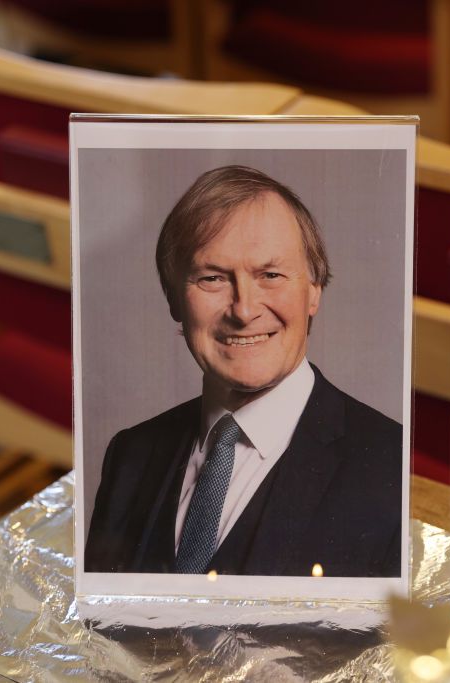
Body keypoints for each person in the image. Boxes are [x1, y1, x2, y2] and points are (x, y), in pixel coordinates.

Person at [84, 165, 402, 577]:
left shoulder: (389, 466)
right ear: (174, 300)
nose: (245, 310)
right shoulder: (131, 454)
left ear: (314, 290)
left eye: (270, 275)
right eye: (212, 278)